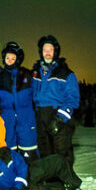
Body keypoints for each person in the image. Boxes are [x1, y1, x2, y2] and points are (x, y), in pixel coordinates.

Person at [0, 124, 81, 190]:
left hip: (29, 174)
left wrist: (18, 184)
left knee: (57, 160)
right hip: (26, 187)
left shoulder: (5, 152)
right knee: (48, 186)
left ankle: (73, 183)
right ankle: (62, 185)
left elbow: (21, 166)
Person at [32, 34, 80, 167]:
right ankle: (51, 179)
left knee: (61, 150)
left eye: (50, 50)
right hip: (40, 114)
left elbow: (72, 99)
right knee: (45, 150)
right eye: (45, 50)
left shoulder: (66, 73)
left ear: (55, 52)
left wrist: (60, 119)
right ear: (41, 52)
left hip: (57, 114)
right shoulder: (35, 73)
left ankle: (66, 179)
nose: (48, 53)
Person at [0, 41, 38, 159]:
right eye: (8, 58)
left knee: (29, 151)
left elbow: (36, 95)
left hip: (26, 119)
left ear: (18, 59)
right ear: (4, 59)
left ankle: (31, 175)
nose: (10, 60)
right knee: (9, 152)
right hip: (7, 119)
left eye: (13, 58)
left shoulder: (27, 75)